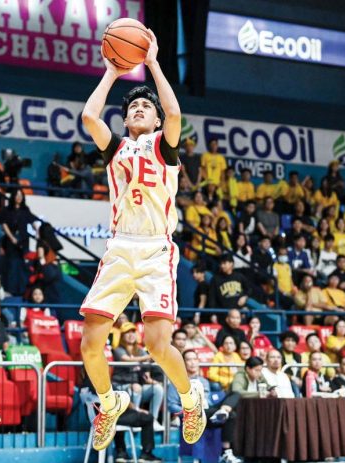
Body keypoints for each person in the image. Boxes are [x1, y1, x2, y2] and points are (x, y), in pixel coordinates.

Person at [78, 30, 205, 450]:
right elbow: (89, 118)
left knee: (156, 343)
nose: (139, 109)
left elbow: (173, 111)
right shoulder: (115, 148)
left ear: (152, 120)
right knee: (90, 344)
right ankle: (109, 401)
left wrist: (151, 62)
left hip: (154, 248)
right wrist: (112, 72)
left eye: (144, 106)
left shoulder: (163, 146)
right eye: (133, 106)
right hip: (119, 246)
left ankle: (190, 401)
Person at [167, 349, 242, 463]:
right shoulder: (176, 382)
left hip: (208, 412)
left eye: (194, 359)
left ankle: (222, 412)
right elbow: (171, 405)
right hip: (192, 413)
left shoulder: (204, 381)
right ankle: (225, 450)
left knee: (235, 395)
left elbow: (209, 401)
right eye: (188, 359)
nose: (192, 362)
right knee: (230, 414)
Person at [79, 370, 163, 463]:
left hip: (96, 420)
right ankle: (146, 454)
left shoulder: (83, 387)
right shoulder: (101, 384)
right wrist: (138, 409)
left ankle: (121, 452)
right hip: (107, 418)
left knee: (118, 417)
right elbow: (121, 399)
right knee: (147, 417)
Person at [111, 323, 164, 431]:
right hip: (120, 387)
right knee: (136, 387)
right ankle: (134, 420)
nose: (131, 335)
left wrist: (151, 379)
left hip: (136, 386)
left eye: (133, 332)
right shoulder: (118, 349)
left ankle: (152, 420)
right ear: (122, 336)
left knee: (158, 389)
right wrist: (147, 357)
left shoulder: (140, 350)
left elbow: (147, 369)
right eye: (127, 333)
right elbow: (126, 359)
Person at [0, 190, 36, 296]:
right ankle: (10, 289)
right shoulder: (7, 210)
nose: (19, 197)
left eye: (21, 195)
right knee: (12, 265)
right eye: (17, 195)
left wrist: (38, 230)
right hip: (11, 241)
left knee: (23, 265)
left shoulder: (25, 209)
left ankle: (22, 289)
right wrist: (12, 238)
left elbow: (33, 221)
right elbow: (4, 224)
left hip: (23, 241)